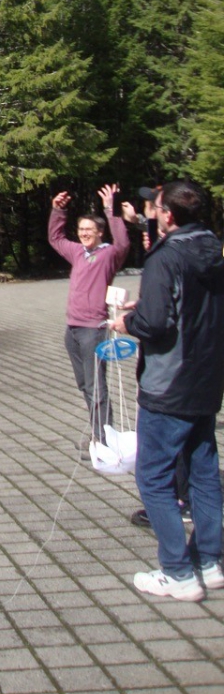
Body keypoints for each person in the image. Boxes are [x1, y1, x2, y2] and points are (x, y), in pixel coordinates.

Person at [109, 180, 224, 601]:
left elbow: (156, 325)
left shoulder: (167, 256)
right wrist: (152, 306)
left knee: (154, 477)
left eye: (154, 205)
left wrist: (127, 323)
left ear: (169, 214)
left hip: (169, 382)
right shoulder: (212, 249)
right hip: (207, 378)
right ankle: (210, 562)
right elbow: (185, 306)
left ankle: (177, 571)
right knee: (202, 469)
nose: (149, 209)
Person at [48, 185, 130, 447]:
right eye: (81, 229)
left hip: (94, 330)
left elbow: (124, 242)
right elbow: (56, 239)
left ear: (100, 232)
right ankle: (99, 431)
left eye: (89, 230)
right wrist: (57, 210)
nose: (84, 233)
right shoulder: (77, 253)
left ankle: (105, 438)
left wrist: (110, 208)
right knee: (85, 384)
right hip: (72, 329)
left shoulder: (108, 255)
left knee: (96, 386)